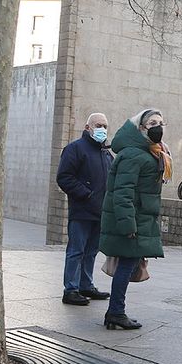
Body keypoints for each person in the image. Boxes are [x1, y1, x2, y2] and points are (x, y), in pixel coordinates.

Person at [99, 109, 171, 330]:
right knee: (126, 265)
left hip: (140, 218)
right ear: (140, 128)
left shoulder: (152, 152)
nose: (157, 126)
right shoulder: (133, 154)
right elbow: (123, 192)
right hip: (134, 220)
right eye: (151, 123)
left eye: (160, 122)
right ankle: (116, 312)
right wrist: (127, 224)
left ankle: (115, 311)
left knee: (129, 264)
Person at [57, 113, 113, 306]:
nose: (102, 129)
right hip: (82, 211)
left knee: (91, 252)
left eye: (105, 126)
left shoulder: (106, 154)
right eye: (98, 125)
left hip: (100, 212)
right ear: (88, 127)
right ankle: (70, 289)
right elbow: (64, 177)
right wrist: (86, 194)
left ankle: (86, 285)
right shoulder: (75, 149)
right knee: (76, 251)